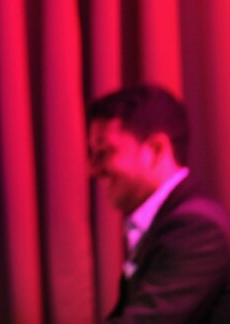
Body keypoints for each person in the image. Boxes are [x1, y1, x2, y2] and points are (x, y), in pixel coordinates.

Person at [87, 85, 230, 323]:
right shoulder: (169, 221)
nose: (92, 170)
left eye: (104, 151)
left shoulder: (198, 229)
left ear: (155, 149)